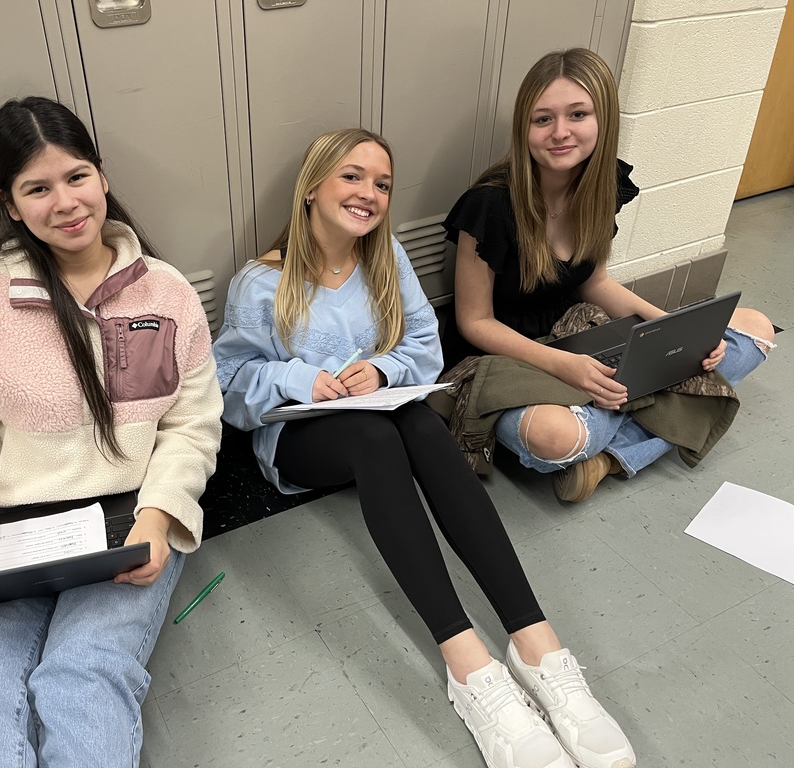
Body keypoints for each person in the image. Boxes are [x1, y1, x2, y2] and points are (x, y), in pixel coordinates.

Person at [213, 128, 636, 768]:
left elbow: (424, 351)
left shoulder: (386, 261)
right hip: (298, 437)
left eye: (382, 183)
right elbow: (230, 385)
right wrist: (302, 379)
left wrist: (382, 372)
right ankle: (468, 667)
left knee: (416, 426)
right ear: (312, 188)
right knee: (376, 435)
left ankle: (535, 644)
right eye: (352, 177)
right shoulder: (261, 283)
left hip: (378, 419)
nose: (368, 193)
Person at [0, 96, 223, 767]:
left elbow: (191, 426)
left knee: (83, 679)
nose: (66, 202)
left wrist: (159, 519)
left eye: (77, 176)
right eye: (37, 188)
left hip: (126, 524)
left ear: (103, 177)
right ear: (10, 204)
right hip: (6, 536)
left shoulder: (166, 294)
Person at [442, 47, 775, 502]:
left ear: (604, 120)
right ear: (525, 127)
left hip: (582, 334)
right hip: (511, 355)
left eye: (577, 114)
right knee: (554, 440)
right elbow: (474, 322)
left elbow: (594, 283)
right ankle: (641, 418)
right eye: (543, 119)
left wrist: (674, 330)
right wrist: (568, 367)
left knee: (754, 330)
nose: (560, 132)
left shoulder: (602, 187)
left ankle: (610, 455)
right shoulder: (490, 204)